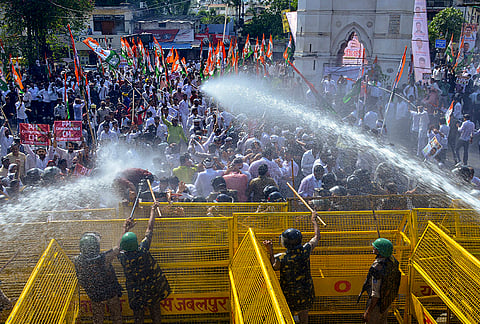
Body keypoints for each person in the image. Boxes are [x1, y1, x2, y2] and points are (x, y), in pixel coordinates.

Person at [262, 211, 320, 324]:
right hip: (306, 291)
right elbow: (317, 236)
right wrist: (314, 220)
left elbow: (274, 267)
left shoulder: (283, 258)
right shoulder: (305, 250)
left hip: (289, 293)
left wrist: (270, 250)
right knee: (304, 313)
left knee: (289, 315)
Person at [118, 201, 171, 324]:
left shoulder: (122, 257)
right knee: (156, 313)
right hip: (151, 289)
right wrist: (153, 210)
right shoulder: (143, 250)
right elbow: (149, 229)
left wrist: (125, 229)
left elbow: (119, 247)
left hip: (135, 292)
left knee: (138, 317)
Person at [73, 232, 122, 324]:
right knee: (117, 317)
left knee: (98, 319)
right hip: (110, 293)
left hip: (95, 296)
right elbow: (118, 248)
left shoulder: (77, 260)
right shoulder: (104, 258)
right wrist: (125, 229)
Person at [360, 238, 401, 324]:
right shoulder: (393, 261)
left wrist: (368, 312)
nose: (373, 248)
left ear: (380, 252)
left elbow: (375, 294)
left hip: (377, 306)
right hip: (387, 301)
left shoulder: (377, 269)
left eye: (375, 248)